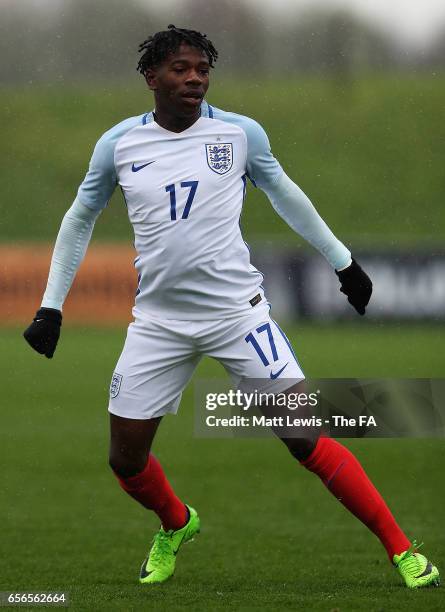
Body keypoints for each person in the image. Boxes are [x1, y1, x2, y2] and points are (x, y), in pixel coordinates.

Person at [24, 25, 439, 589]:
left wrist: (343, 262)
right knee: (125, 460)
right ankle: (176, 522)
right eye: (180, 69)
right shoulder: (118, 144)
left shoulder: (239, 134)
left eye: (202, 68)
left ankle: (402, 551)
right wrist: (51, 307)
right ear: (151, 78)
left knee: (305, 437)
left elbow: (285, 192)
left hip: (237, 316)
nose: (194, 78)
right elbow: (78, 220)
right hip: (159, 324)